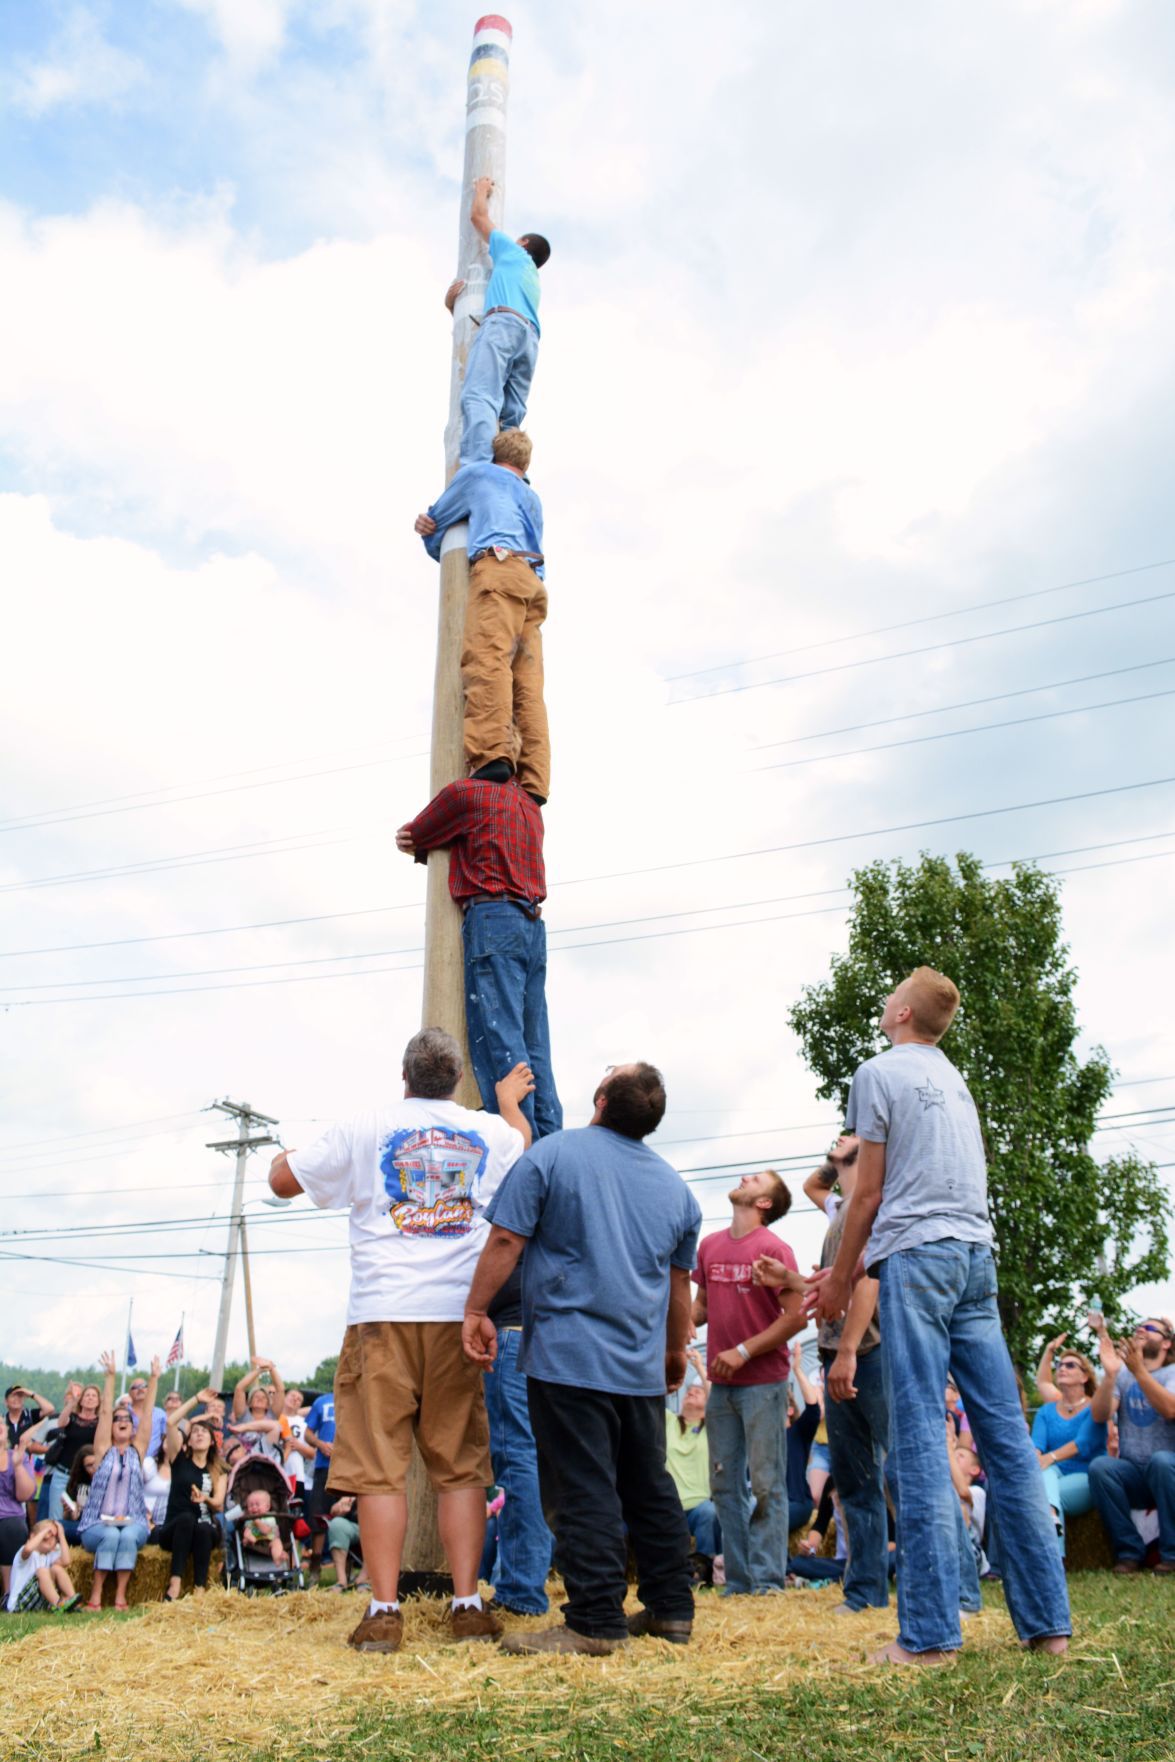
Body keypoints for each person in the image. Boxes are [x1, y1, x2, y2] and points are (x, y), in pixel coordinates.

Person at [817, 966, 1071, 1665]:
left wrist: (840, 1283)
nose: (882, 1000)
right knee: (1006, 1438)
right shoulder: (952, 1077)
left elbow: (863, 1195)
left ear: (900, 1012)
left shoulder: (877, 1072)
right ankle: (1047, 1627)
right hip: (974, 1254)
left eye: (888, 992)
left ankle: (928, 1637)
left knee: (922, 1439)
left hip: (918, 1255)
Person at [269, 1026, 534, 1652]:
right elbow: (523, 1147)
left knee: (381, 1472)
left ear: (405, 1076)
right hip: (459, 1318)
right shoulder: (491, 1133)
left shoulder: (364, 1126)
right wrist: (507, 1107)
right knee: (462, 1469)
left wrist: (290, 1151)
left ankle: (385, 1611)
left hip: (381, 1318)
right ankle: (467, 1604)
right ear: (457, 1081)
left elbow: (284, 1182)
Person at [463, 1060, 702, 1656]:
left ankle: (595, 1621)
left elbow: (505, 1239)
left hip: (568, 1359)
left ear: (599, 1099)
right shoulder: (677, 1189)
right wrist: (676, 1351)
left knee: (581, 1487)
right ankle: (672, 1610)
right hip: (641, 1366)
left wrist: (475, 1311)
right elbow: (679, 1292)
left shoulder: (552, 1156)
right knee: (649, 1485)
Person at [396, 778, 561, 1141]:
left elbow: (415, 834)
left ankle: (520, 1145)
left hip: (493, 918)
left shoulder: (467, 793)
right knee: (535, 1045)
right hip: (531, 925)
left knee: (500, 1041)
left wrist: (412, 842)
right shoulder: (528, 804)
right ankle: (549, 1144)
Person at [415, 429, 550, 805]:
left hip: (499, 568)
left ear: (494, 455)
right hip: (533, 582)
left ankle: (492, 754)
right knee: (527, 681)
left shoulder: (478, 475)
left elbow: (438, 520)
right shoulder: (531, 496)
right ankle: (535, 779)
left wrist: (425, 530)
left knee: (487, 660)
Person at [693, 1170, 809, 1596]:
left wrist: (742, 1351)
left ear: (764, 1203)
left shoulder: (775, 1249)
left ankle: (767, 1582)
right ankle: (737, 1583)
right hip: (722, 1385)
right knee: (724, 1483)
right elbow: (702, 1305)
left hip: (763, 1381)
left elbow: (797, 1317)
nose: (745, 1176)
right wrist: (676, 1329)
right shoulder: (709, 1245)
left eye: (756, 1179)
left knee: (765, 1483)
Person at [809, 1134, 890, 1612]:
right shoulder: (840, 1207)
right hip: (839, 1354)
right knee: (855, 1481)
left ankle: (960, 1589)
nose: (841, 1128)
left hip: (870, 1354)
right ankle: (865, 1593)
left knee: (901, 1475)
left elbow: (871, 1281)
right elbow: (810, 1185)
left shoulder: (876, 1204)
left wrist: (848, 1352)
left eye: (853, 1129)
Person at [445, 175, 550, 466]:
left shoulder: (513, 252)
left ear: (523, 243)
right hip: (529, 338)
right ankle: (512, 470)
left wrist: (481, 190)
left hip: (504, 325)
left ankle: (476, 466)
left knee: (481, 395)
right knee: (510, 415)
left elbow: (478, 217)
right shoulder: (531, 279)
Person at [482, 1259, 555, 1616]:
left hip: (514, 1329)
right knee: (542, 1462)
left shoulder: (515, 1201)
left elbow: (504, 1243)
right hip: (556, 1333)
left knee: (517, 1459)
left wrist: (472, 1308)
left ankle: (520, 1592)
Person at [1088, 1314, 1175, 1571]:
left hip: (1168, 1471)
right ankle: (1128, 1552)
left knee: (1161, 1461)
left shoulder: (1171, 1373)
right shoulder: (1124, 1375)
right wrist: (1110, 1375)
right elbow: (1100, 1414)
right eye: (1138, 1327)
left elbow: (1170, 1409)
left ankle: (1171, 1555)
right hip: (1134, 1472)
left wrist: (1138, 1370)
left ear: (1166, 1343)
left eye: (1150, 1328)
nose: (1140, 1330)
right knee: (1101, 1468)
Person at [80, 1352, 160, 1611]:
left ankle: (120, 1596)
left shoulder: (138, 1449)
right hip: (96, 1521)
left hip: (133, 1520)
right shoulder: (103, 1450)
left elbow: (147, 1414)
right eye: (118, 1420)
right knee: (111, 1535)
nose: (122, 1422)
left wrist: (154, 1378)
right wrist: (110, 1376)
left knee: (126, 1537)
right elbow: (104, 1412)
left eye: (127, 1420)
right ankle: (96, 1593)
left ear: (132, 1428)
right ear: (111, 1426)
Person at [1026, 1345, 1107, 1554]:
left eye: (1070, 1365)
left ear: (1085, 1376)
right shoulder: (1046, 1411)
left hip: (1085, 1476)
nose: (1062, 1369)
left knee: (1044, 1489)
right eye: (1059, 1365)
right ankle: (1054, 1546)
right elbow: (1037, 1446)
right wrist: (1036, 1462)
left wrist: (1049, 1458)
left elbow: (1083, 1443)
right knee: (1046, 1481)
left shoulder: (1094, 1409)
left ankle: (1052, 1555)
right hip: (1052, 1475)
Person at [157, 1413, 226, 1600]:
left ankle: (200, 1591)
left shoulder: (218, 1470)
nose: (199, 1434)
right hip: (173, 1530)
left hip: (202, 1530)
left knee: (203, 1528)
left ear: (212, 1442)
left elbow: (218, 1504)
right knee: (187, 1519)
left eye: (204, 1431)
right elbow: (172, 1422)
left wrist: (205, 1499)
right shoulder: (178, 1461)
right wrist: (197, 1399)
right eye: (195, 1431)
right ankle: (175, 1584)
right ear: (190, 1441)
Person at [665, 1352, 720, 1573]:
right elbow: (652, 1397)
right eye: (689, 1390)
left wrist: (698, 1366)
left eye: (698, 1392)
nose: (692, 1392)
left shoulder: (711, 1427)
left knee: (709, 1512)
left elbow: (717, 1400)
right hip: (670, 1503)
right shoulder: (668, 1421)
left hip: (699, 1503)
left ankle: (703, 1570)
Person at [40, 1382, 101, 1521]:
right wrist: (72, 1401)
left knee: (80, 1515)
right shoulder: (72, 1418)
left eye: (93, 1396)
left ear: (98, 1401)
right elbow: (61, 1422)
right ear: (82, 1399)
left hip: (85, 1477)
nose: (90, 1398)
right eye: (87, 1395)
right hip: (63, 1473)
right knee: (55, 1516)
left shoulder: (100, 1422)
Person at [5, 1519, 79, 1613]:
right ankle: (59, 1605)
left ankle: (72, 1601)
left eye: (54, 1537)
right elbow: (28, 1549)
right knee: (42, 1571)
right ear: (33, 1536)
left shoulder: (49, 1556)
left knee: (57, 1568)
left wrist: (61, 1535)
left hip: (37, 1603)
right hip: (19, 1604)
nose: (50, 1537)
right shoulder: (25, 1552)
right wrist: (45, 1531)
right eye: (47, 1534)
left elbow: (66, 1561)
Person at [303, 1388, 337, 1580]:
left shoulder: (359, 1398)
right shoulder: (322, 1401)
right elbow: (308, 1433)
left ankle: (349, 1571)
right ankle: (315, 1568)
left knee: (352, 1516)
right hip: (324, 1468)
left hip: (352, 1468)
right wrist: (320, 1444)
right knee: (318, 1518)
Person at [0, 1435, 36, 1600]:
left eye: (1, 1422)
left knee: (13, 1528)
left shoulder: (16, 1457)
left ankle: (9, 1595)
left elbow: (26, 1495)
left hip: (10, 1516)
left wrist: (18, 1466)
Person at [241, 1489, 288, 1565]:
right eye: (250, 1505)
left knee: (277, 1542)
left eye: (257, 1504)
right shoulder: (248, 1519)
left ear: (267, 1507)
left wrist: (257, 1521)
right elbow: (247, 1529)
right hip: (254, 1542)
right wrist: (246, 1538)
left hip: (269, 1540)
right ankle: (250, 1539)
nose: (254, 1507)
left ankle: (278, 1558)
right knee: (246, 1533)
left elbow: (266, 1531)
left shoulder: (269, 1517)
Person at [326, 1494, 362, 1592]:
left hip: (377, 1524)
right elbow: (332, 1511)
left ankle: (364, 1579)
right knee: (337, 1524)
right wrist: (338, 1508)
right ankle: (341, 1581)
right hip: (355, 1526)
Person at [5, 1384, 56, 1450]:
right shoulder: (3, 1421)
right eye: (13, 1396)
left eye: (20, 1396)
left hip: (28, 1458)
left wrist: (32, 1394)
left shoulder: (30, 1415)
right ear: (6, 1402)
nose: (16, 1398)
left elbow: (50, 1409)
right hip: (6, 1459)